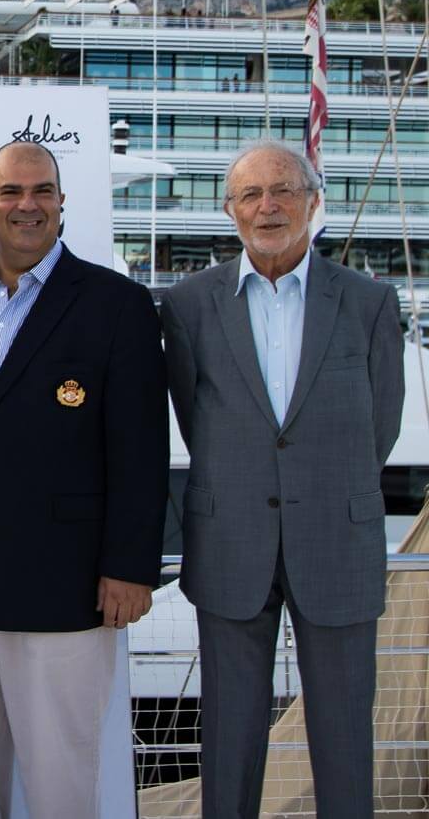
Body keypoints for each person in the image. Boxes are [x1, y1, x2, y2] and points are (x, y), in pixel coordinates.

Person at [0, 140, 169, 818]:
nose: (27, 205)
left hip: (64, 584)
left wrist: (131, 567)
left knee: (59, 782)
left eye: (42, 191)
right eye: (11, 192)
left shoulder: (118, 306)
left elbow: (140, 450)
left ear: (62, 201)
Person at [160, 139, 404, 819]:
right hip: (231, 540)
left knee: (346, 740)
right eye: (250, 195)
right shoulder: (187, 306)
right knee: (229, 742)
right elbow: (194, 417)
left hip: (336, 541)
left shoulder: (370, 303)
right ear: (230, 210)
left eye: (283, 191)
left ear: (312, 201)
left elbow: (378, 428)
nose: (267, 207)